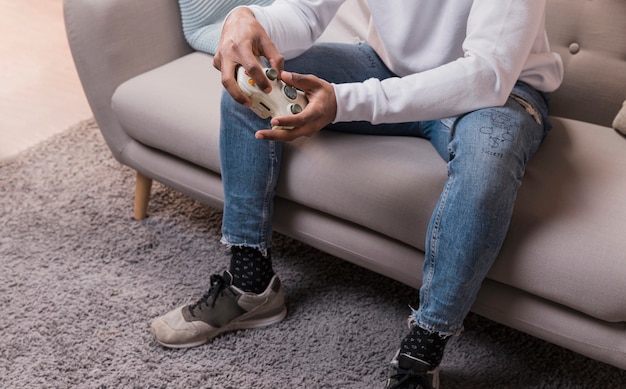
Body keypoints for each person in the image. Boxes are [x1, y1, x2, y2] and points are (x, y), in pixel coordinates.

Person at [150, 1, 563, 387]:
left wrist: (345, 102)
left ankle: (422, 353)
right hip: (388, 69)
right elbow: (304, 12)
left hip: (497, 94)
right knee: (252, 81)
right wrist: (247, 18)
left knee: (488, 160)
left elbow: (486, 74)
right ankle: (250, 285)